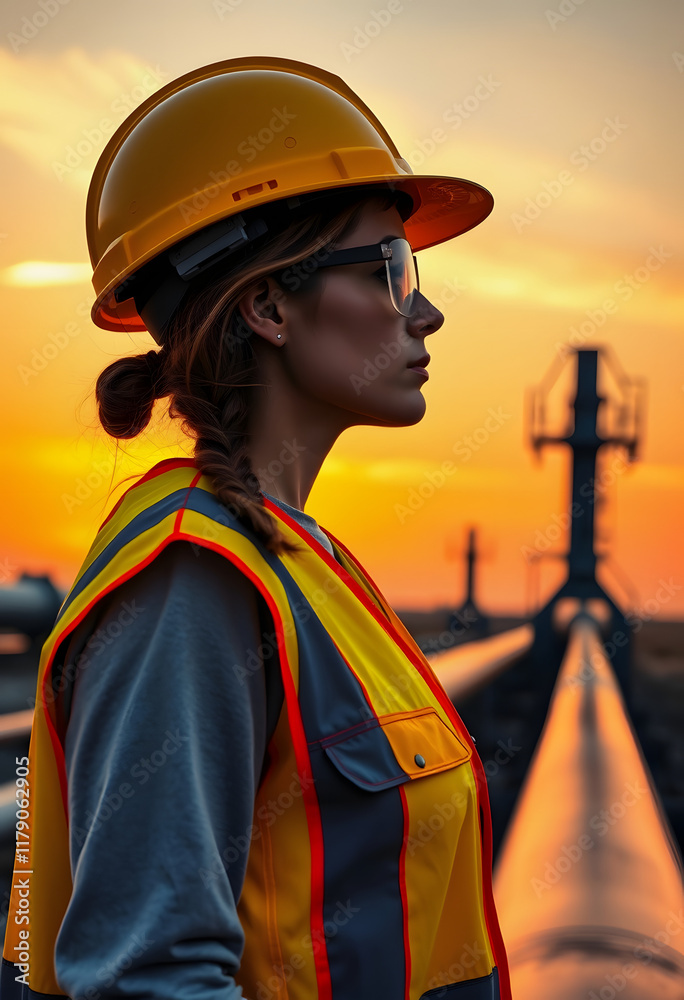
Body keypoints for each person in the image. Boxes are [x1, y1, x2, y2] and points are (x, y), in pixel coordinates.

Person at [2, 57, 511, 1000]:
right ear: (269, 306)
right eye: (392, 270)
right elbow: (148, 981)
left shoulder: (301, 563)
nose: (427, 311)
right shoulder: (193, 586)